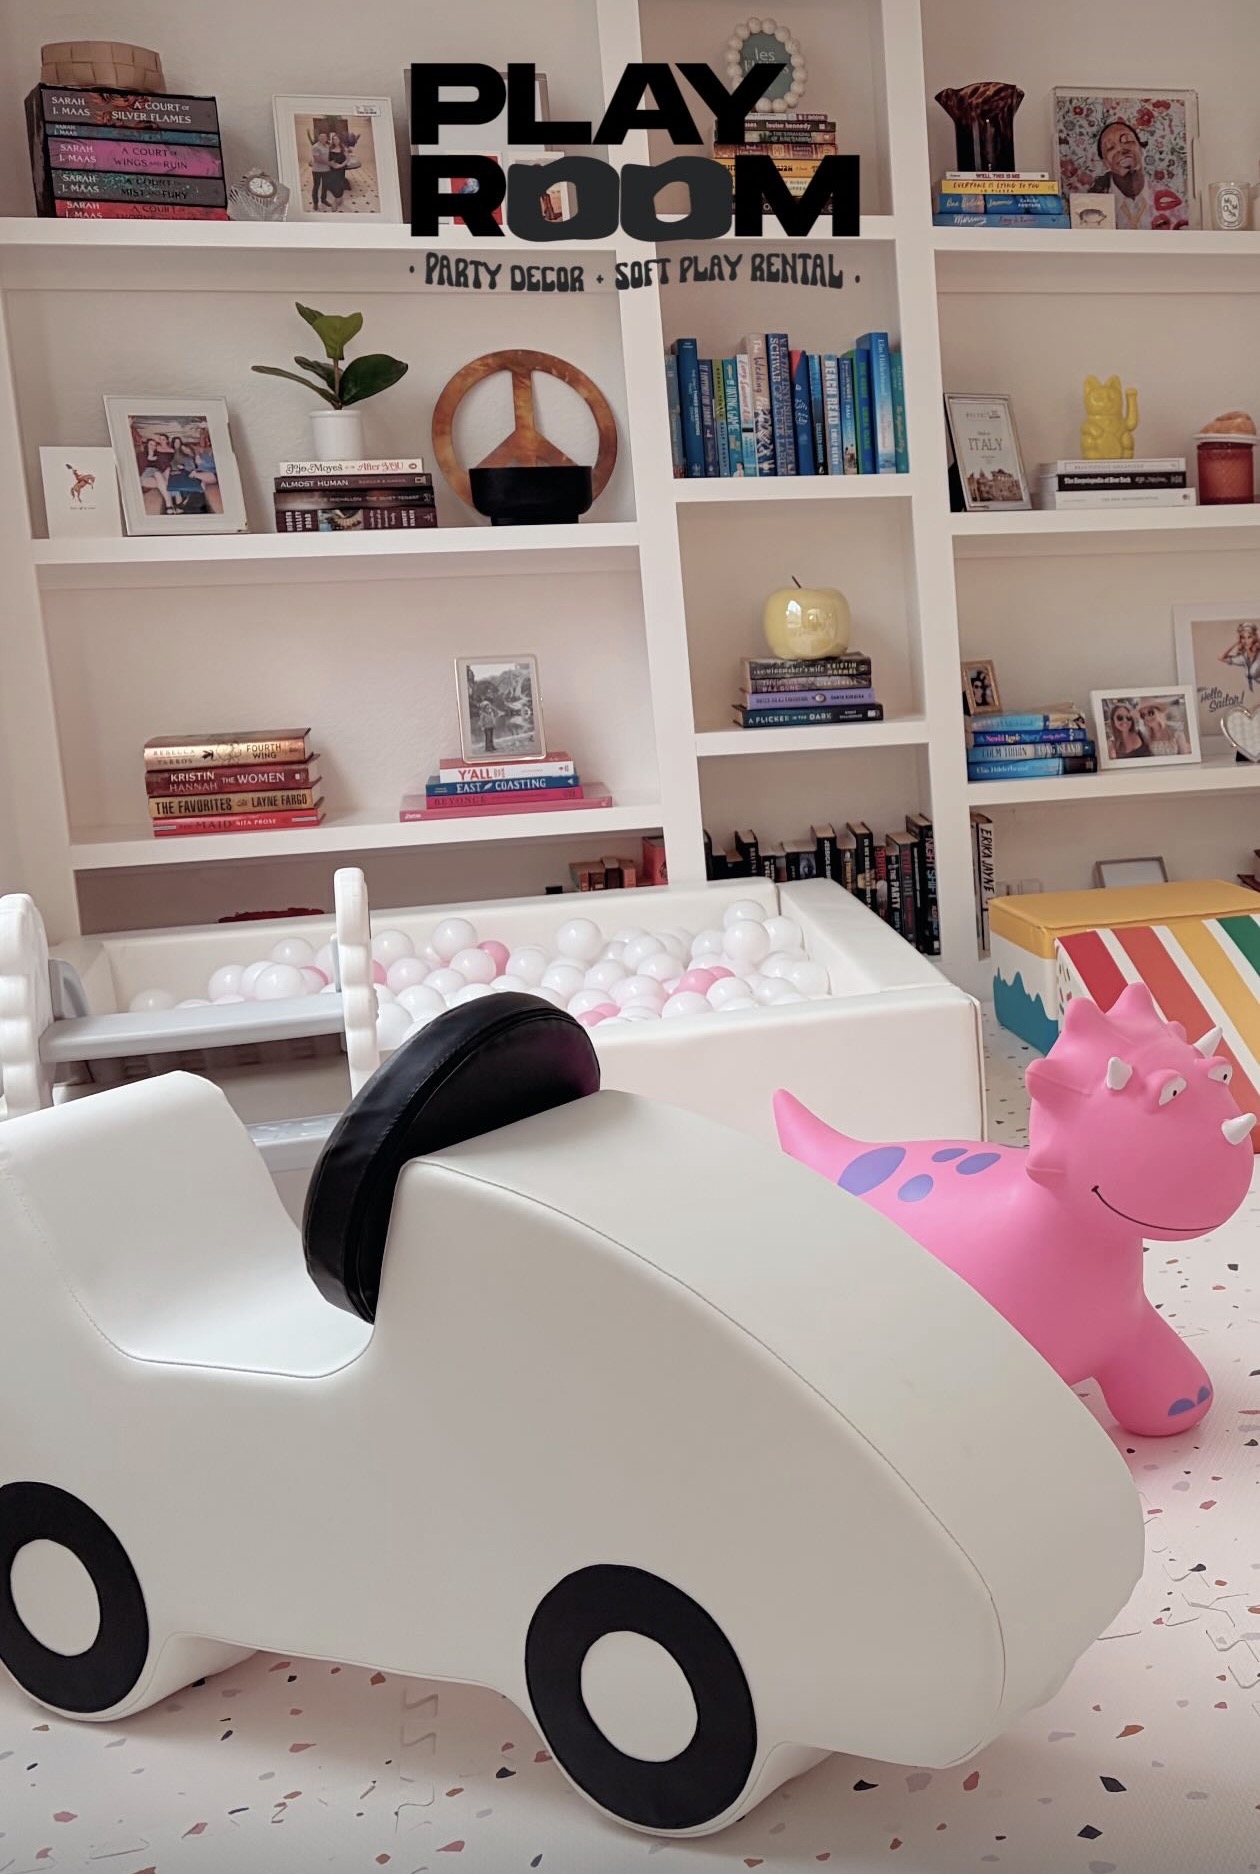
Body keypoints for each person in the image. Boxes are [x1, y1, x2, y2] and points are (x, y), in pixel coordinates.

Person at [1090, 120, 1153, 231]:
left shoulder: (1165, 197)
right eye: (1110, 147)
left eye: (1127, 140)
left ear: (1141, 148)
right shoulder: (1094, 202)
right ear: (1105, 163)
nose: (1121, 150)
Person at [306, 129, 331, 211]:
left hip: (326, 170)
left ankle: (323, 200)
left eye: (325, 137)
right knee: (316, 187)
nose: (323, 138)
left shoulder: (327, 146)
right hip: (317, 170)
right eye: (321, 137)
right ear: (318, 138)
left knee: (325, 186)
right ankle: (315, 203)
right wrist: (329, 163)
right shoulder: (315, 147)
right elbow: (317, 160)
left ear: (327, 138)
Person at [324, 132, 349, 211]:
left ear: (340, 140)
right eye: (333, 139)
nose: (335, 140)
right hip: (331, 169)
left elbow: (348, 159)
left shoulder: (343, 149)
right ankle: (339, 198)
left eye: (336, 139)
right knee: (331, 184)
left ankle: (336, 201)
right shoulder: (330, 148)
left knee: (338, 185)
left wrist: (341, 165)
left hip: (340, 170)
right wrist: (331, 164)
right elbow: (328, 159)